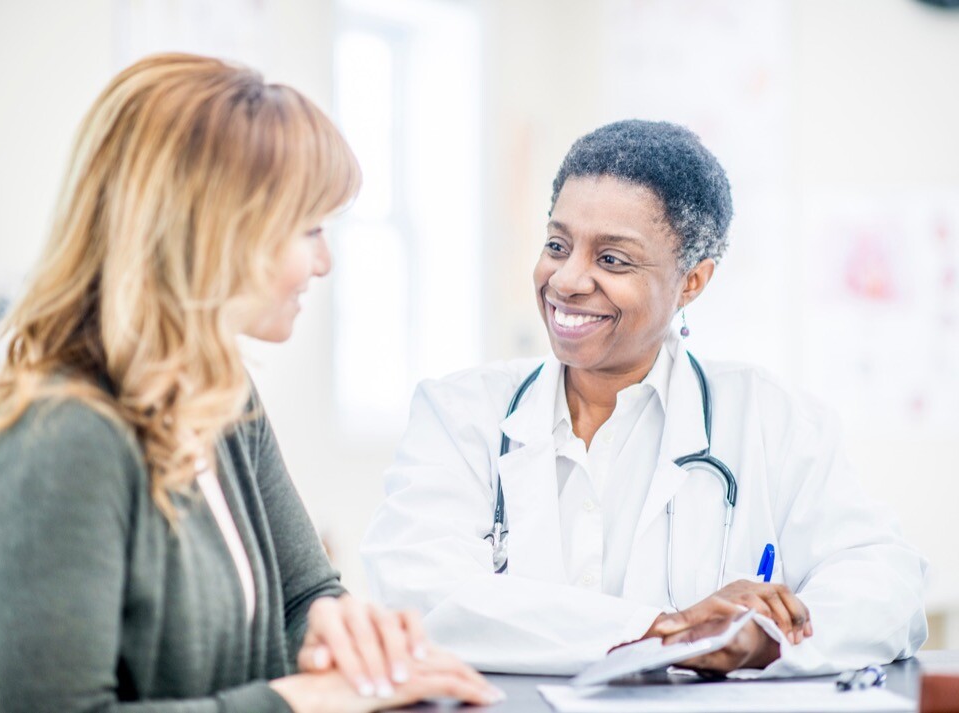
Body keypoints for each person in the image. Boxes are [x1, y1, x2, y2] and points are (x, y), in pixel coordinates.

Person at [0, 54, 503, 712]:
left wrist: (349, 640)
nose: (322, 263)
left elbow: (304, 593)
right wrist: (304, 697)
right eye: (309, 230)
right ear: (214, 234)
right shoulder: (61, 440)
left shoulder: (219, 388)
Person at [361, 120, 928, 676]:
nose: (566, 280)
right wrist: (670, 632)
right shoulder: (459, 414)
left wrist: (767, 639)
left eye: (612, 259)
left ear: (692, 282)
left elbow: (887, 584)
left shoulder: (773, 419)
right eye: (558, 245)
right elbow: (421, 595)